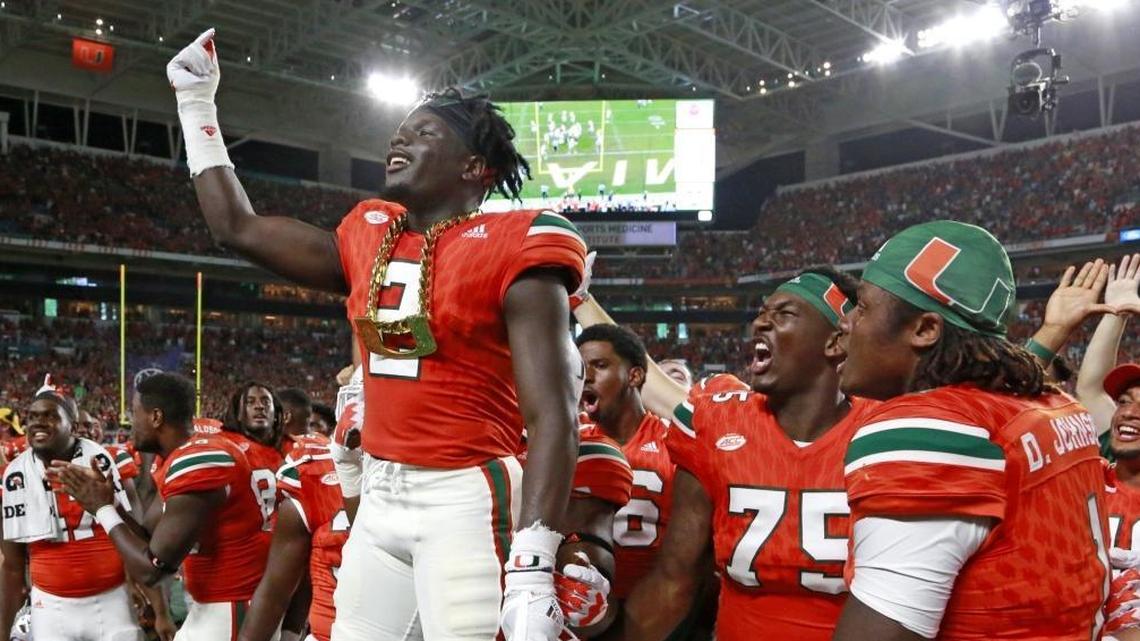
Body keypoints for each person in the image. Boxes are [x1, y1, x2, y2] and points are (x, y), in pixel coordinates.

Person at [169, 29, 586, 641]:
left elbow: (555, 415)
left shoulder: (515, 243)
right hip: (381, 497)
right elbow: (236, 228)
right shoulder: (369, 231)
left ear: (474, 166)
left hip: (465, 496)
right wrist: (197, 103)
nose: (400, 138)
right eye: (401, 130)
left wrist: (533, 562)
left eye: (425, 134)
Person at [832, 221, 1110, 641]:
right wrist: (1052, 331)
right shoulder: (1056, 406)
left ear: (925, 329)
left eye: (864, 307)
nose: (847, 322)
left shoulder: (930, 430)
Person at [574, 266, 877, 641]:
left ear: (836, 341)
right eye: (763, 312)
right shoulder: (717, 422)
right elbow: (674, 580)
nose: (761, 323)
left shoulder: (888, 432)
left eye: (783, 315)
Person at [53, 372, 269, 640]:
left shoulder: (198, 460)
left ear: (156, 417)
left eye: (135, 414)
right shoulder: (181, 457)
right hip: (214, 605)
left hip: (233, 604)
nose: (132, 424)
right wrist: (112, 504)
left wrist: (102, 510)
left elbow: (152, 569)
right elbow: (149, 538)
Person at [0, 387, 139, 641]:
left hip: (112, 599)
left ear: (73, 427)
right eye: (32, 417)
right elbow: (12, 567)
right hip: (50, 607)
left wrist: (152, 597)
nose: (38, 422)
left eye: (50, 416)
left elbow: (135, 533)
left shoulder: (103, 461)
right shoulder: (14, 476)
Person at [575, 325, 672, 606]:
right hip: (586, 605)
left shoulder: (673, 442)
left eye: (600, 365)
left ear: (634, 375)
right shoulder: (569, 441)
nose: (588, 376)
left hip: (658, 605)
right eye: (582, 367)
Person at [223, 382, 286, 536]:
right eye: (250, 402)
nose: (259, 406)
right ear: (238, 413)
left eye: (266, 401)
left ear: (276, 414)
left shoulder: (292, 449)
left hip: (281, 546)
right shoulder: (224, 447)